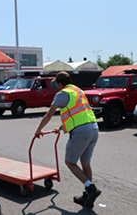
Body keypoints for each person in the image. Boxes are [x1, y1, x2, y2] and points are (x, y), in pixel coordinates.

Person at [35, 71, 101, 208]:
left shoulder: (62, 93)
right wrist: (61, 128)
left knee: (70, 162)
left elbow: (49, 114)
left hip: (81, 132)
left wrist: (38, 130)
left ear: (59, 83)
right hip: (93, 128)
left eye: (56, 84)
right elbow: (77, 114)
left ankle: (90, 188)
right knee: (85, 162)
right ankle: (88, 196)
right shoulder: (77, 90)